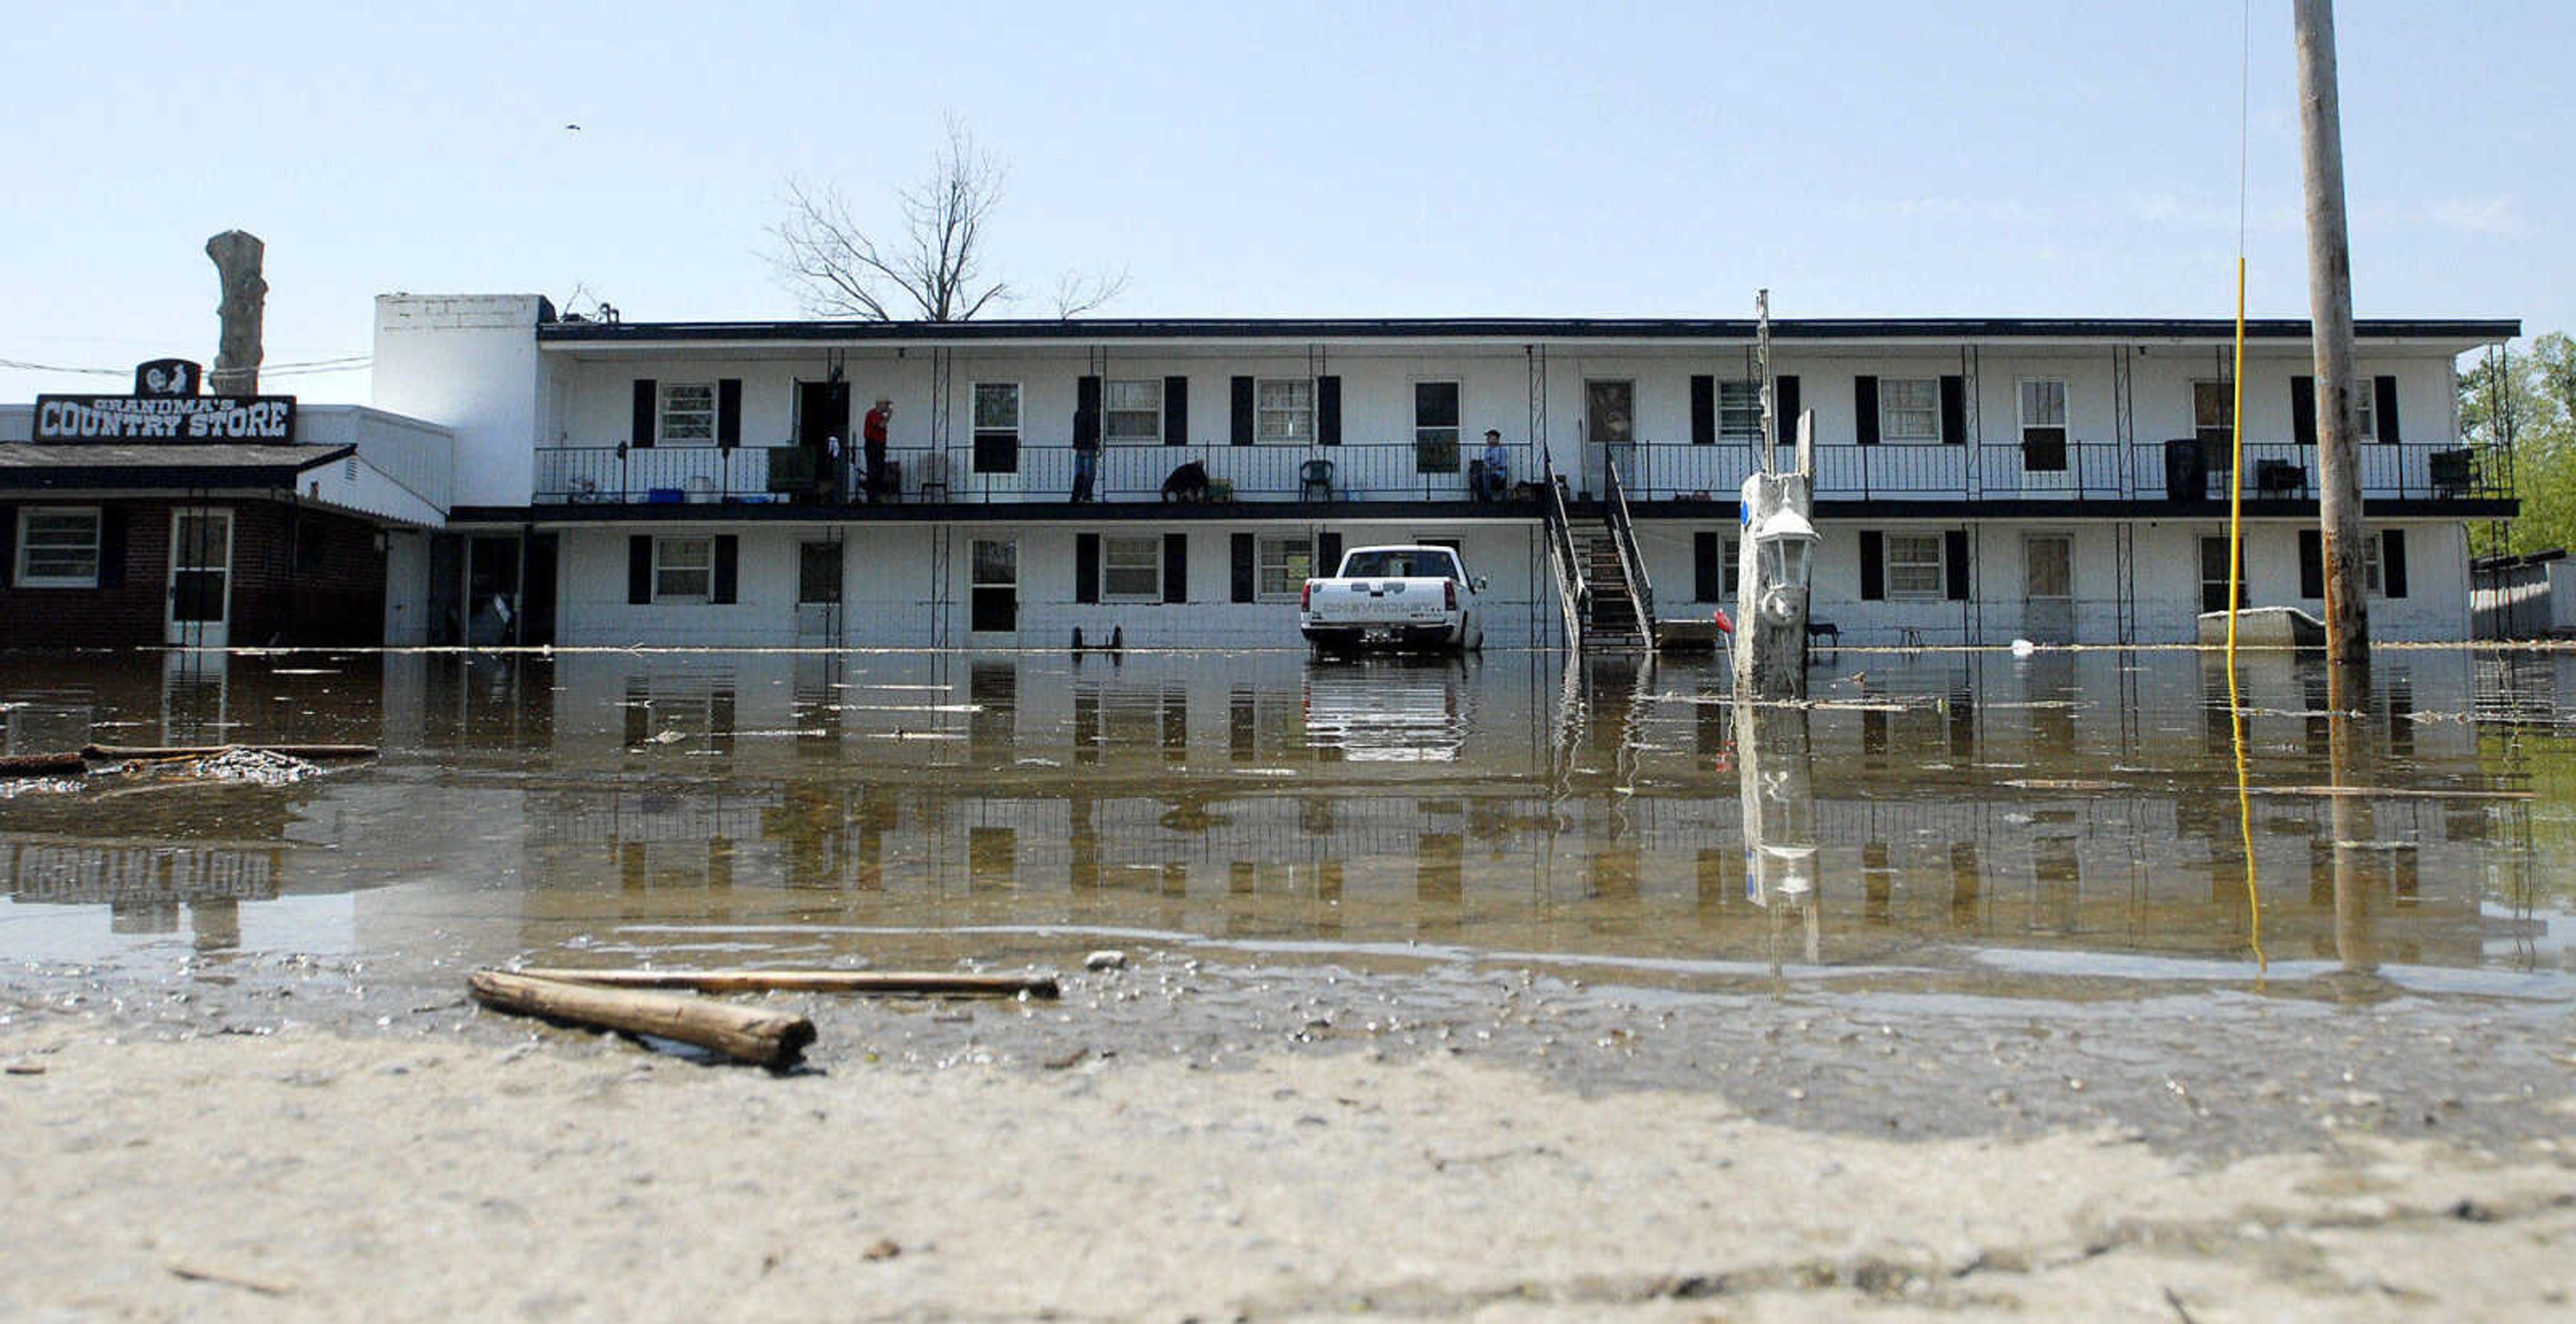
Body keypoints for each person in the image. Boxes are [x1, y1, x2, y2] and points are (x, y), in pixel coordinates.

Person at [1071, 395, 1101, 502]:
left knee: (1080, 473)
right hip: (1089, 447)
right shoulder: (1092, 415)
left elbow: (1076, 432)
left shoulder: (1078, 414)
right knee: (1090, 474)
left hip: (1079, 447)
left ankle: (1076, 496)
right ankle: (1087, 496)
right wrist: (1097, 443)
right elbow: (1093, 431)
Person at [862, 397, 892, 503]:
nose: (888, 407)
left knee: (879, 471)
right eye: (886, 405)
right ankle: (872, 498)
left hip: (880, 445)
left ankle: (877, 496)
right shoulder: (873, 414)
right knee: (873, 471)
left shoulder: (879, 415)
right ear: (880, 405)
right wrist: (889, 415)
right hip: (873, 444)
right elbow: (881, 425)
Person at [1479, 428, 1509, 501]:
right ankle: (1482, 500)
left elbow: (1503, 464)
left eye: (1490, 437)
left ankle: (1488, 499)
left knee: (1486, 474)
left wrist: (1493, 467)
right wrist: (1489, 466)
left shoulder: (1502, 450)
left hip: (1499, 474)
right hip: (1489, 472)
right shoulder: (1487, 450)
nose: (1488, 439)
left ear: (1496, 439)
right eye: (1488, 438)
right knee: (1480, 475)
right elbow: (1486, 462)